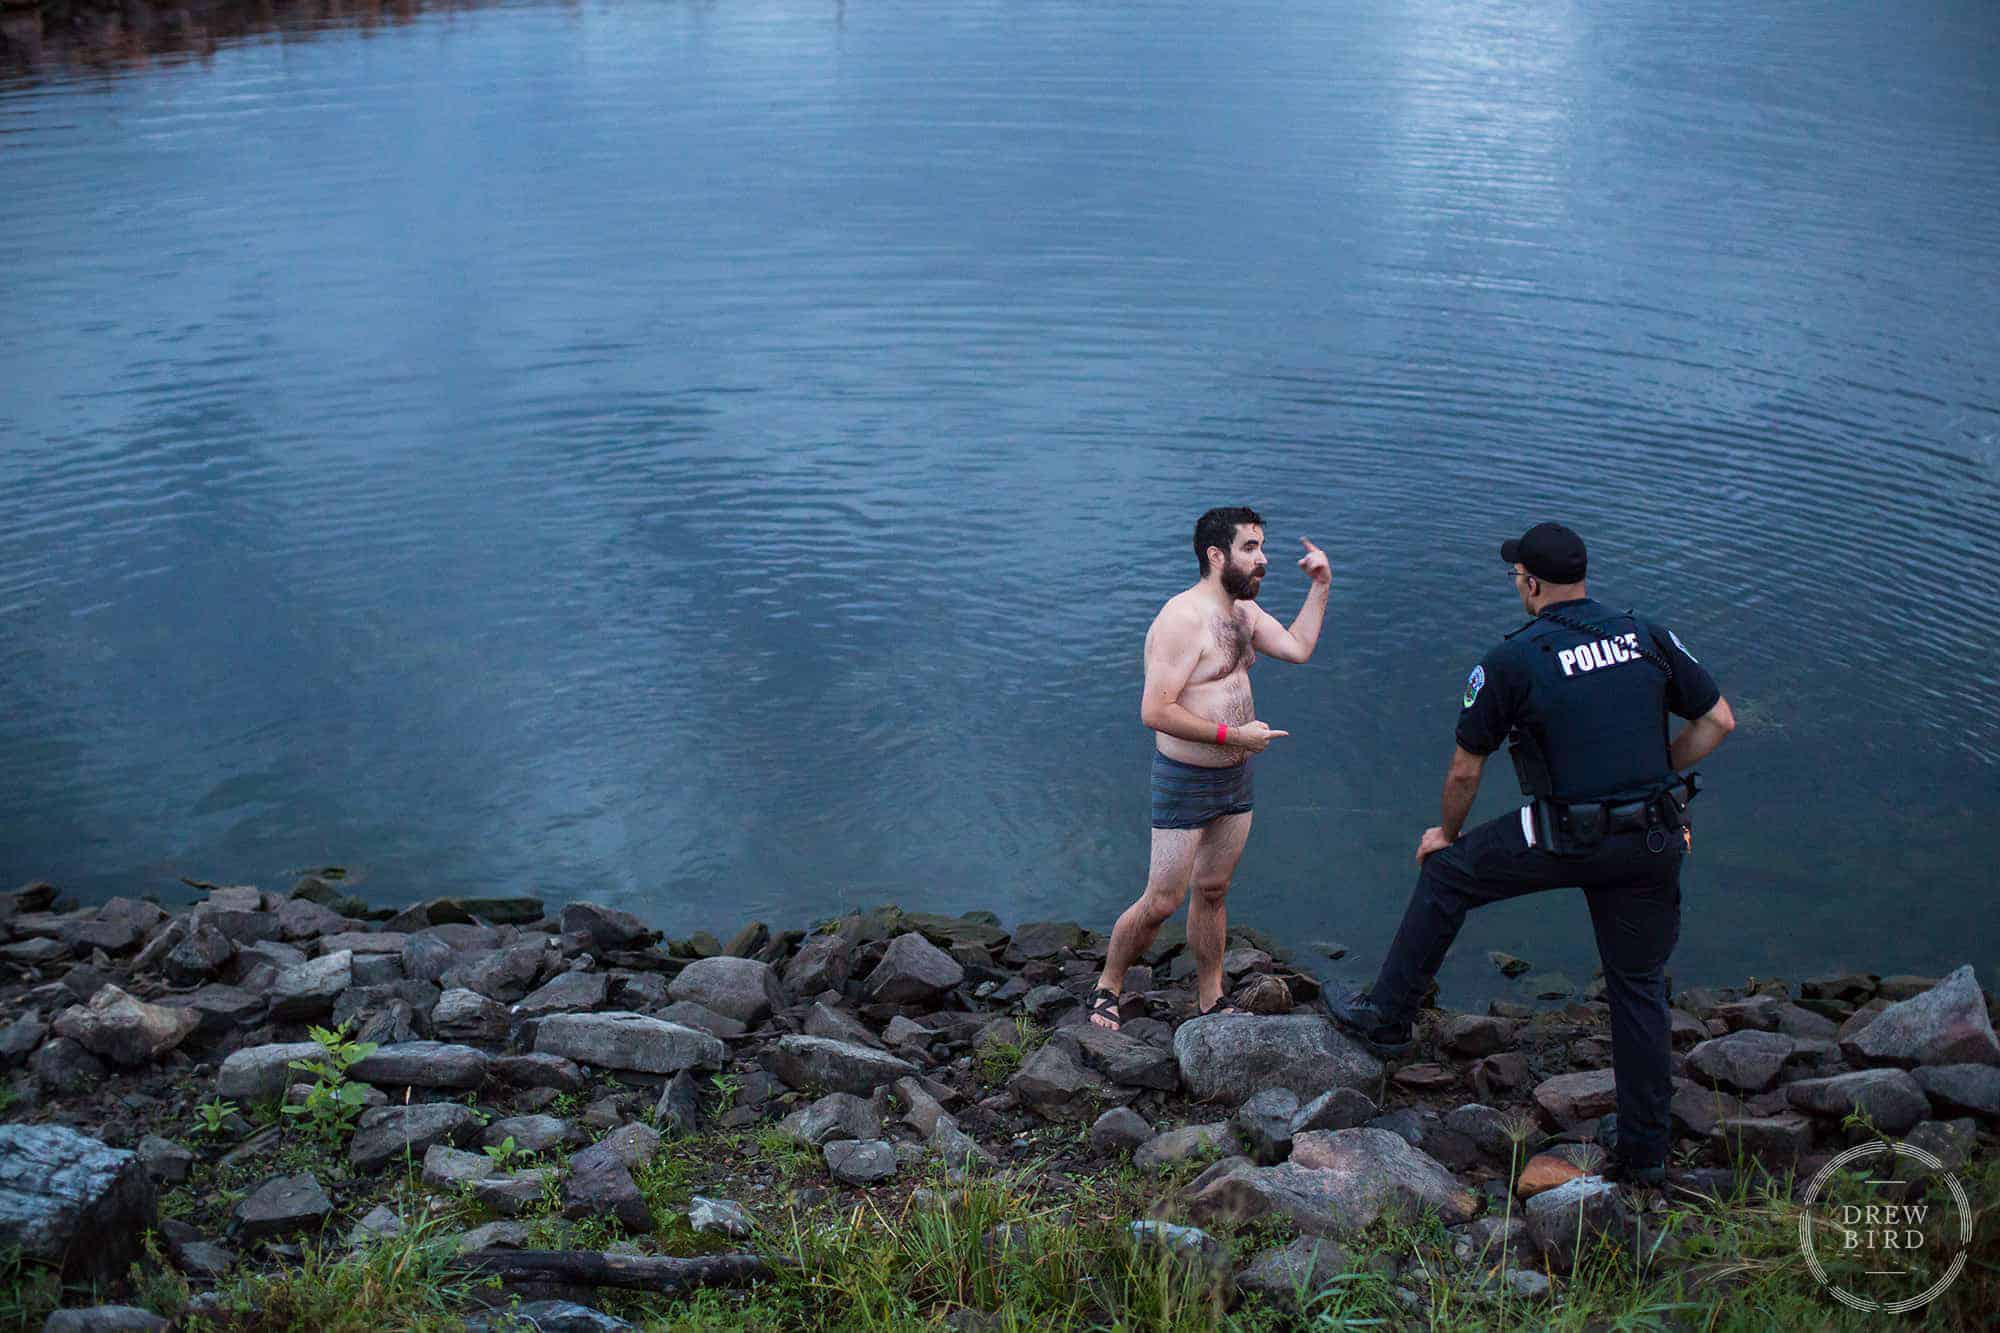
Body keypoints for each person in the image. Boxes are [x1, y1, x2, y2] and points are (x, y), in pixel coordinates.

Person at [1326, 521, 1735, 1186]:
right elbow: (1718, 720)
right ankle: (1644, 1152)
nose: (1516, 579)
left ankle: (1387, 1017)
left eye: (1517, 572)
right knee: (1637, 987)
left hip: (1565, 834)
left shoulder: (1513, 659)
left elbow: (1465, 770)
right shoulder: (1647, 635)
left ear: (1532, 582)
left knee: (1448, 877)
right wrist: (1652, 779)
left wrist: (1445, 833)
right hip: (1653, 835)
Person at [1088, 506, 1331, 1030]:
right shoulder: (1182, 619)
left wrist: (1320, 587)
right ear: (1215, 555)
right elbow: (1155, 710)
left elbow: (1298, 648)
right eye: (1250, 548)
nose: (1263, 559)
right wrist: (1232, 735)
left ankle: (1210, 995)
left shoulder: (1242, 614)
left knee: (1214, 889)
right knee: (1161, 900)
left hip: (1236, 778)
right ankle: (1108, 984)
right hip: (1186, 780)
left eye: (1262, 547)